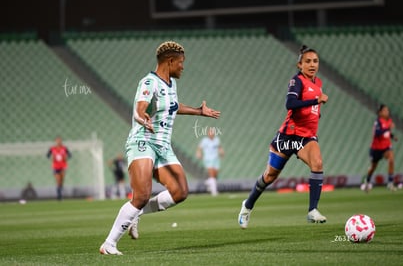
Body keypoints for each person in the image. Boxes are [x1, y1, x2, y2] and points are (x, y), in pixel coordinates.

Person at [99, 40, 221, 255]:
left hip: (163, 146)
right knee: (141, 195)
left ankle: (136, 214)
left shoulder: (171, 84)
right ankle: (109, 243)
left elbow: (173, 106)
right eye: (181, 62)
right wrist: (141, 117)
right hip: (143, 141)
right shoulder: (148, 82)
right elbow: (139, 108)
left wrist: (198, 111)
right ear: (170, 61)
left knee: (180, 191)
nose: (183, 66)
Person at [238, 45, 329, 229]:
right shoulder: (297, 81)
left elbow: (311, 110)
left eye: (315, 61)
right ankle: (247, 206)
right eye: (308, 61)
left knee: (317, 163)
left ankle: (312, 210)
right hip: (287, 137)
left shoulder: (318, 84)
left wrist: (315, 113)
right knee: (269, 177)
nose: (312, 64)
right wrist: (315, 101)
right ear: (300, 64)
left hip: (306, 138)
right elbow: (290, 103)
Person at [361, 104, 398, 192]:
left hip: (386, 147)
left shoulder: (389, 121)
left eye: (387, 110)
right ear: (380, 112)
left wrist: (392, 136)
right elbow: (377, 133)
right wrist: (388, 130)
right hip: (376, 148)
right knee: (373, 167)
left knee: (391, 159)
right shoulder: (378, 121)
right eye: (385, 110)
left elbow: (387, 133)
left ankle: (390, 182)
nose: (387, 112)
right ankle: (367, 180)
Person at [196, 127, 224, 196]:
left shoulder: (217, 140)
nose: (211, 134)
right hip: (208, 159)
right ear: (208, 133)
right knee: (211, 174)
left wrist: (222, 152)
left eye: (212, 132)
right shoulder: (205, 140)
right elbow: (199, 148)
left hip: (216, 159)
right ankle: (214, 192)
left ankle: (208, 182)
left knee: (215, 174)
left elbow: (219, 147)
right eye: (210, 132)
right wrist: (199, 153)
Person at [47, 136, 71, 200]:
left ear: (61, 141)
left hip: (63, 166)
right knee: (58, 180)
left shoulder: (64, 148)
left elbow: (70, 155)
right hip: (55, 166)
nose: (58, 141)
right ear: (55, 141)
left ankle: (60, 193)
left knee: (62, 181)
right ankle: (59, 196)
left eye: (60, 140)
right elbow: (48, 155)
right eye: (57, 140)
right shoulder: (52, 149)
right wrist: (52, 158)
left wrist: (66, 158)